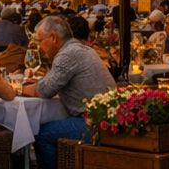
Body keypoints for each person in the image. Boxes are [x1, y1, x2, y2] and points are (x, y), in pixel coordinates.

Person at [23, 15, 116, 168]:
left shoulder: (67, 54)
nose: (39, 46)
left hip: (95, 125)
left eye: (40, 41)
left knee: (42, 134)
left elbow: (45, 91)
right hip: (106, 119)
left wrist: (19, 89)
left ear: (53, 37)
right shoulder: (80, 49)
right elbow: (51, 82)